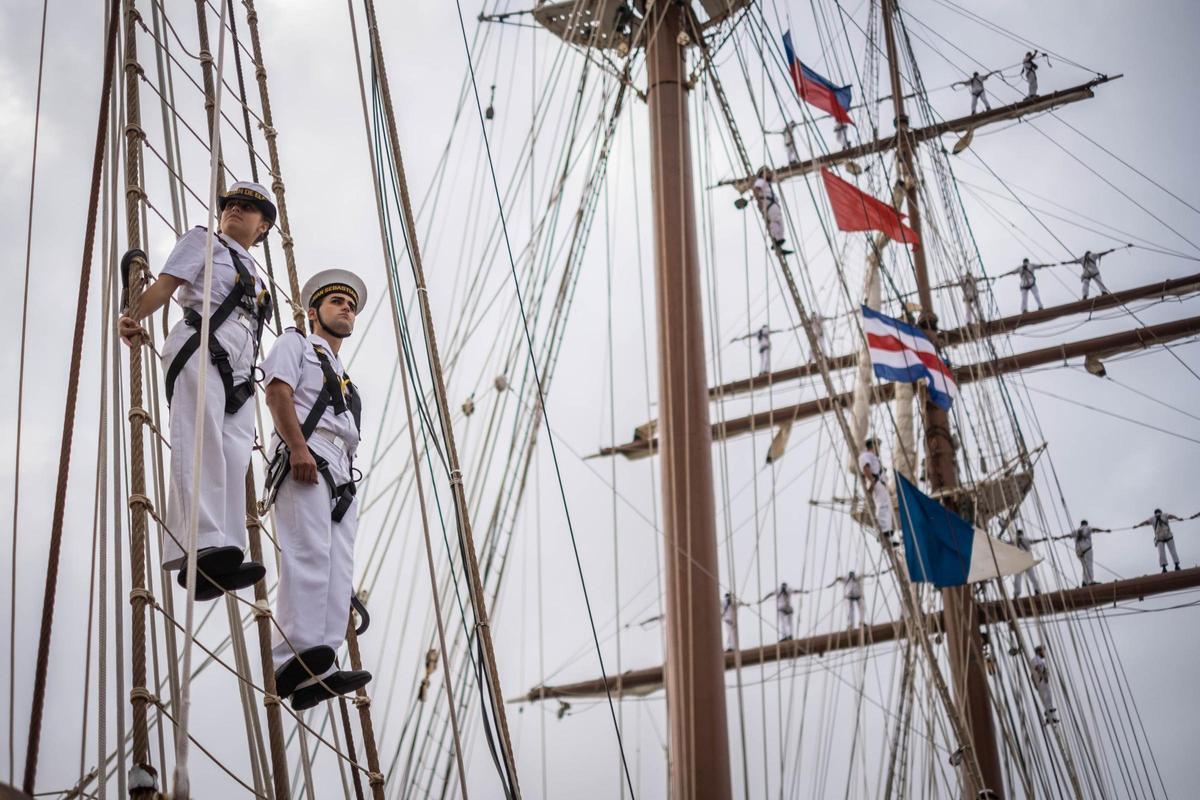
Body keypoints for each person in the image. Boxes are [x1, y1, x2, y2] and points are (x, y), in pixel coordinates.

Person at [118, 181, 275, 599]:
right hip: (202, 345)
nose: (236, 210)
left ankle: (225, 553)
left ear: (262, 229)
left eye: (248, 208)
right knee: (200, 439)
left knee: (233, 458)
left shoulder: (259, 278)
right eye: (231, 204)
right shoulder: (203, 241)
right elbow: (166, 287)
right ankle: (199, 545)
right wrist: (131, 313)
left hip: (241, 376)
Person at [261, 269, 372, 710]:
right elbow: (276, 393)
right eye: (336, 303)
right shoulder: (296, 345)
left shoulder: (345, 376)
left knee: (337, 569)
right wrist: (297, 447)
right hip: (307, 452)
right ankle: (291, 655)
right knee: (307, 554)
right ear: (313, 313)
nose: (346, 308)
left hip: (342, 473)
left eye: (350, 305)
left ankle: (320, 667)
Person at [858, 438, 895, 546]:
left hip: (881, 484)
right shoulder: (865, 456)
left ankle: (887, 533)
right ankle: (883, 532)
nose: (879, 448)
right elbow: (866, 467)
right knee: (882, 506)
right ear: (873, 446)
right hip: (876, 482)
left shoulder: (875, 458)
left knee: (887, 507)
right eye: (878, 445)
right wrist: (872, 480)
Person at [1057, 519, 1110, 587]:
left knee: (1084, 567)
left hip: (1078, 551)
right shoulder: (1087, 528)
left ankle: (1084, 582)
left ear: (1081, 524)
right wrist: (1104, 530)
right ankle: (1090, 581)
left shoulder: (1076, 531)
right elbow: (1095, 529)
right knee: (1089, 565)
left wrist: (1058, 538)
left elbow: (1068, 535)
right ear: (1086, 524)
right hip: (1086, 549)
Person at [752, 167, 792, 255]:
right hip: (769, 204)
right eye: (767, 172)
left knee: (779, 222)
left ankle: (779, 243)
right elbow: (756, 189)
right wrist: (757, 197)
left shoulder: (766, 184)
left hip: (772, 205)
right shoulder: (761, 181)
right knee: (775, 221)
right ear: (762, 174)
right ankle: (776, 239)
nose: (770, 173)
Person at [1134, 509, 1183, 573]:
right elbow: (1171, 516)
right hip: (1168, 536)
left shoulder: (1152, 518)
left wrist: (1137, 526)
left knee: (1161, 553)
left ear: (1155, 513)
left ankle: (1164, 567)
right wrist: (1178, 519)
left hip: (1160, 538)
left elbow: (1145, 522)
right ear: (1160, 512)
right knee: (1173, 550)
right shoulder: (1164, 515)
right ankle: (1176, 565)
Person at [1030, 645, 1058, 724]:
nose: (1044, 653)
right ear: (1039, 652)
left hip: (1044, 681)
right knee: (1045, 697)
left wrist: (1045, 675)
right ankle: (1048, 713)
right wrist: (1042, 675)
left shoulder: (1043, 662)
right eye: (1043, 651)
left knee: (1049, 696)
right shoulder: (1035, 659)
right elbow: (1036, 668)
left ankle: (1052, 716)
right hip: (1040, 681)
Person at [1011, 529, 1042, 596]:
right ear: (1022, 533)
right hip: (1028, 561)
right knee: (1032, 577)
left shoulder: (1014, 541)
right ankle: (1037, 590)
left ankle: (1017, 593)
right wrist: (1042, 539)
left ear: (1017, 534)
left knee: (1017, 578)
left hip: (1019, 562)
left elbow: (1008, 544)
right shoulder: (1026, 539)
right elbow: (1034, 541)